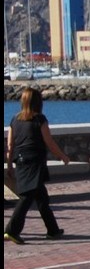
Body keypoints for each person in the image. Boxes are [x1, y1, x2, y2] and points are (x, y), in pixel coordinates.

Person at [4, 86, 71, 245]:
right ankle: (11, 231)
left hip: (20, 161)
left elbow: (10, 145)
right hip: (35, 162)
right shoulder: (40, 119)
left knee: (41, 197)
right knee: (27, 196)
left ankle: (53, 230)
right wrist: (62, 156)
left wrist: (10, 165)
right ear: (38, 102)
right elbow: (49, 142)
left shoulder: (15, 119)